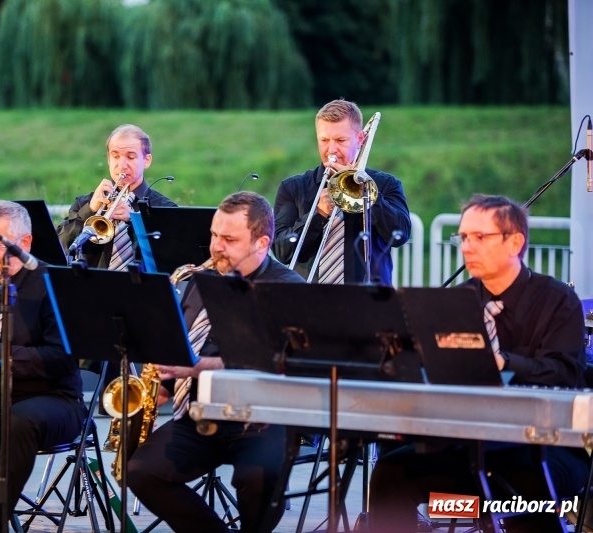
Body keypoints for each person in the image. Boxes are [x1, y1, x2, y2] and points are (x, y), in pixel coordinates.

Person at [368, 194, 588, 533]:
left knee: (522, 497)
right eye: (463, 237)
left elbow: (565, 376)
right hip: (471, 443)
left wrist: (501, 363)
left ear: (515, 242)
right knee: (391, 473)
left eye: (479, 237)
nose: (467, 247)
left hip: (545, 447)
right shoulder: (460, 299)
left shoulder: (557, 301)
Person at [128, 191, 305, 533]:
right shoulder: (198, 277)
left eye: (229, 239)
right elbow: (181, 344)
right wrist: (160, 386)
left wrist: (197, 367)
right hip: (200, 414)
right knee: (141, 472)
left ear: (262, 242)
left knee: (258, 478)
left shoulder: (287, 288)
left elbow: (273, 361)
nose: (215, 247)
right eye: (213, 235)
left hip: (263, 419)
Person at [0, 200, 85, 531]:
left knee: (20, 421)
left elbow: (63, 359)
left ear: (25, 244)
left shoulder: (54, 284)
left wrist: (0, 352)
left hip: (53, 399)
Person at [273, 99, 411, 285]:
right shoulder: (294, 188)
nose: (331, 150)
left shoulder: (385, 184)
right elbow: (282, 252)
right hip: (309, 302)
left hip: (369, 303)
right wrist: (318, 214)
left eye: (340, 140)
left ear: (360, 139)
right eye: (324, 140)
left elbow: (400, 235)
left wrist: (368, 195)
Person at [57, 123, 177, 269]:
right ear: (108, 159)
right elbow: (61, 246)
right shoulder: (85, 203)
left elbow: (169, 257)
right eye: (115, 156)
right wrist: (89, 210)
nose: (122, 165)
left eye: (131, 157)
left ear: (146, 161)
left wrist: (134, 220)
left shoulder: (165, 208)